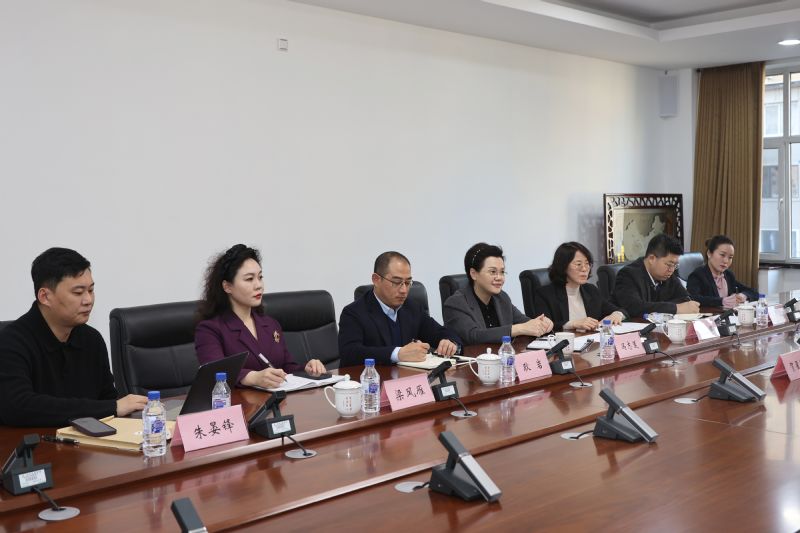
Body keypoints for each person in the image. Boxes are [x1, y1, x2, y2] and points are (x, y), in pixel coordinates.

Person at [0, 248, 148, 427]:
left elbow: (107, 399)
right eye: (78, 293)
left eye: (91, 290)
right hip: (31, 442)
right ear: (45, 296)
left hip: (87, 443)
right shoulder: (11, 342)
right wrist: (111, 407)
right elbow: (18, 407)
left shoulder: (91, 339)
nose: (88, 300)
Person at [195, 244, 325, 389]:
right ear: (227, 286)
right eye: (249, 279)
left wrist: (306, 370)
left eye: (260, 277)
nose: (259, 285)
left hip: (276, 401)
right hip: (238, 402)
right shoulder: (209, 329)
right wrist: (252, 377)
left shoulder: (271, 324)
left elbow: (286, 368)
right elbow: (214, 372)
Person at [338, 251, 462, 367]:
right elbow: (350, 353)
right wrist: (397, 354)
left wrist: (451, 343)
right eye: (396, 282)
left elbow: (441, 332)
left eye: (408, 283)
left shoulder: (412, 307)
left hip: (408, 378)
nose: (404, 290)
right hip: (373, 380)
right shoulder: (354, 313)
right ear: (376, 280)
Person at [443, 243, 552, 344]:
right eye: (493, 272)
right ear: (473, 274)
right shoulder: (455, 303)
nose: (499, 277)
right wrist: (518, 329)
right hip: (472, 358)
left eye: (502, 272)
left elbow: (524, 322)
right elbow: (474, 335)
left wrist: (541, 324)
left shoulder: (501, 297)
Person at [534, 242, 626, 331]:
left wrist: (617, 314)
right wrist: (572, 324)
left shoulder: (591, 290)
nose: (584, 269)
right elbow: (543, 326)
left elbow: (620, 310)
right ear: (563, 266)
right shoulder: (545, 294)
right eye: (578, 264)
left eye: (587, 263)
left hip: (591, 340)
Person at [611, 234, 700, 317]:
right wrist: (675, 308)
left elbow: (686, 299)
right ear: (651, 259)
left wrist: (663, 307)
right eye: (669, 264)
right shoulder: (628, 275)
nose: (672, 270)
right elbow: (633, 307)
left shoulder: (667, 274)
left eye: (675, 265)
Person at [687, 235, 758, 308]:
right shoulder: (697, 275)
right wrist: (721, 301)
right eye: (722, 255)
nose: (726, 261)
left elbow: (753, 292)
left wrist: (744, 295)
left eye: (730, 257)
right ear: (709, 254)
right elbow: (692, 298)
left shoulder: (728, 275)